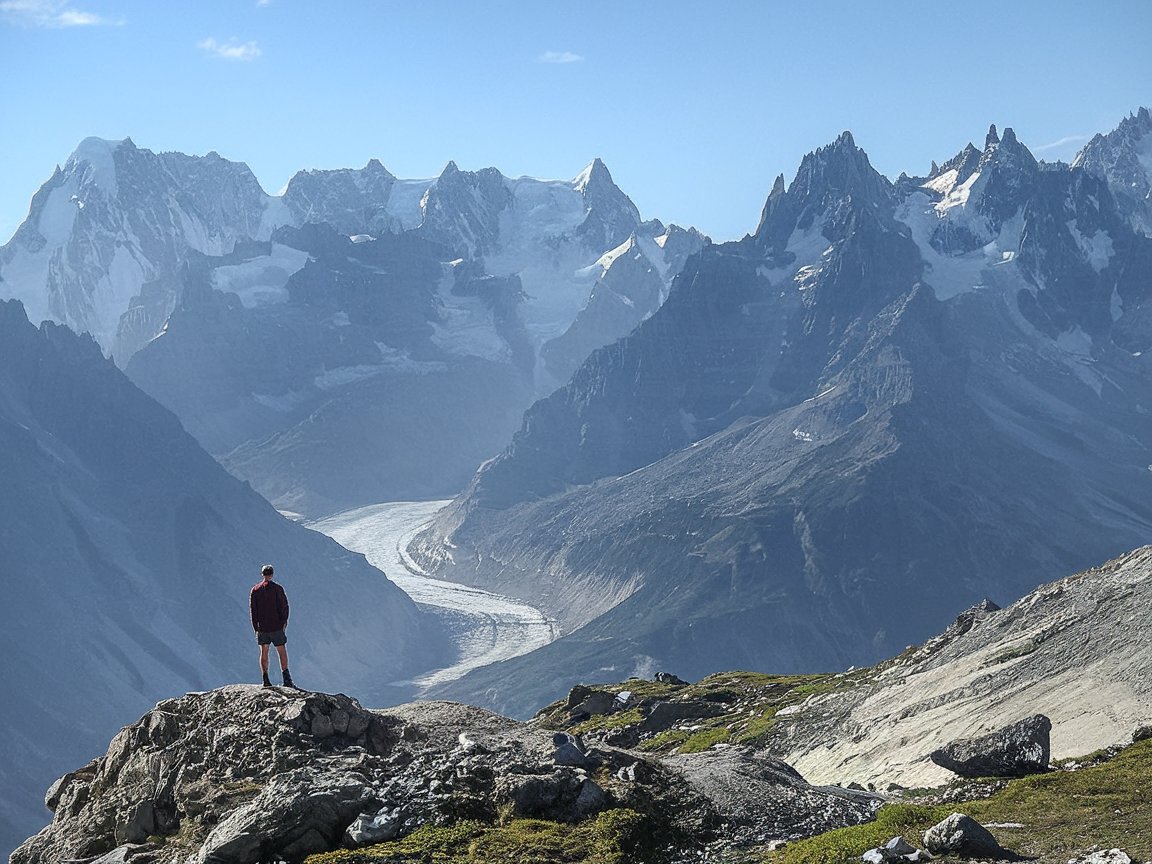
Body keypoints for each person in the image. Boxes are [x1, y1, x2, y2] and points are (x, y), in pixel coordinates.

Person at [250, 564, 296, 688]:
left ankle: (265, 680)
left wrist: (256, 627)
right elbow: (285, 606)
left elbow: (253, 610)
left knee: (264, 652)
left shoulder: (255, 590)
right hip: (276, 626)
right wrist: (283, 622)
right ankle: (287, 679)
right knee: (281, 651)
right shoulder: (278, 589)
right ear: (272, 574)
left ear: (262, 574)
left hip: (262, 628)